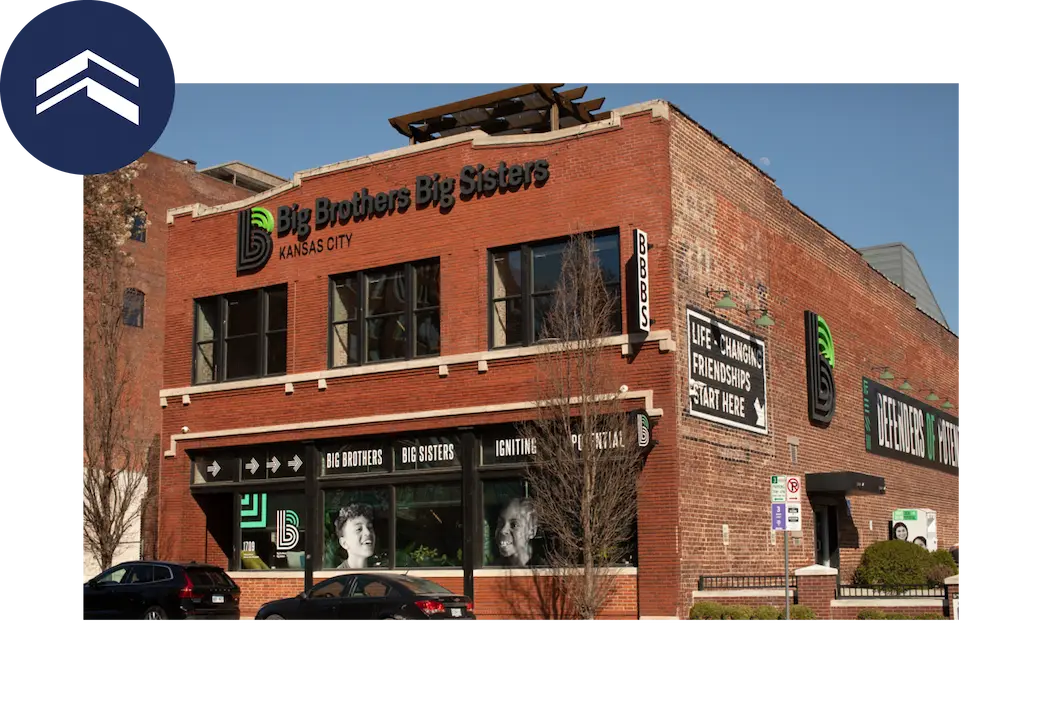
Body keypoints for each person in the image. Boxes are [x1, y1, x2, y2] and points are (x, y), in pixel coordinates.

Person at [496, 498, 537, 567]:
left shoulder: (546, 569)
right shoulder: (491, 569)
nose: (503, 530)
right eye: (500, 523)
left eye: (514, 525)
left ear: (531, 531)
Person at [334, 503, 376, 569]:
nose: (368, 533)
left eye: (370, 527)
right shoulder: (338, 577)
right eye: (359, 529)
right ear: (344, 543)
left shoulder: (380, 573)